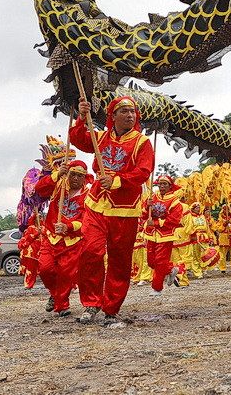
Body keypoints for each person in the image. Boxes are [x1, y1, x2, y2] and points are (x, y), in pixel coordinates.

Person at [70, 95, 155, 324]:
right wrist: (82, 116)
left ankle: (111, 307)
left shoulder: (141, 143)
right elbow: (78, 139)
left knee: (119, 260)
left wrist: (117, 181)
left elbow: (143, 172)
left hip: (124, 210)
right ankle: (91, 303)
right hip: (96, 204)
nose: (130, 115)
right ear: (113, 116)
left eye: (133, 112)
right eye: (124, 111)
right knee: (90, 252)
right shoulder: (101, 138)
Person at [33, 160, 90, 316]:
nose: (76, 179)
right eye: (73, 174)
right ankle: (54, 293)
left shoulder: (88, 196)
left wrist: (68, 226)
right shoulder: (59, 186)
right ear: (68, 174)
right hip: (50, 237)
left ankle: (62, 306)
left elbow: (86, 221)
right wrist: (57, 174)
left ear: (85, 178)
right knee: (44, 269)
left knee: (66, 275)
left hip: (72, 241)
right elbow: (39, 189)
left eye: (80, 176)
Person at [143, 175, 184, 295]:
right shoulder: (152, 197)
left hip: (166, 234)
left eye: (164, 184)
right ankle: (171, 270)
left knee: (160, 262)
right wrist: (147, 206)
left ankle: (157, 288)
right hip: (151, 234)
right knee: (151, 262)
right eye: (160, 184)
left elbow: (174, 220)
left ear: (170, 186)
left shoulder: (175, 201)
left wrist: (156, 223)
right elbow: (144, 214)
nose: (161, 186)